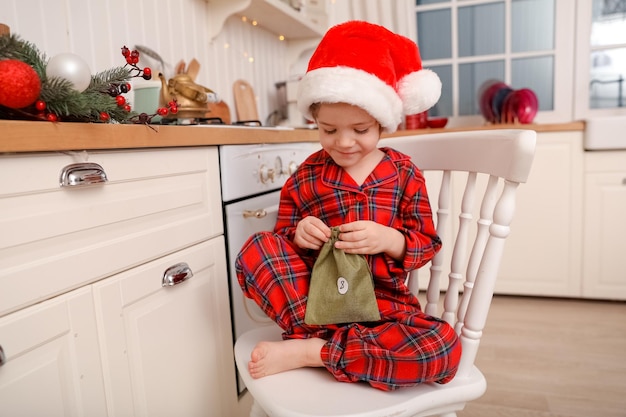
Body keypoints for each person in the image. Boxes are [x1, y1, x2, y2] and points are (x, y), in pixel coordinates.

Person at [235, 20, 461, 391]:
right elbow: (282, 240)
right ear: (316, 122)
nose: (343, 142)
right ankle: (342, 348)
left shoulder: (404, 173)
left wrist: (390, 239)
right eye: (328, 130)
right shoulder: (307, 175)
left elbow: (426, 244)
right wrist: (299, 234)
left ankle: (313, 352)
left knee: (443, 348)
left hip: (385, 308)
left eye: (360, 130)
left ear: (383, 123)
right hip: (315, 301)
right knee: (255, 249)